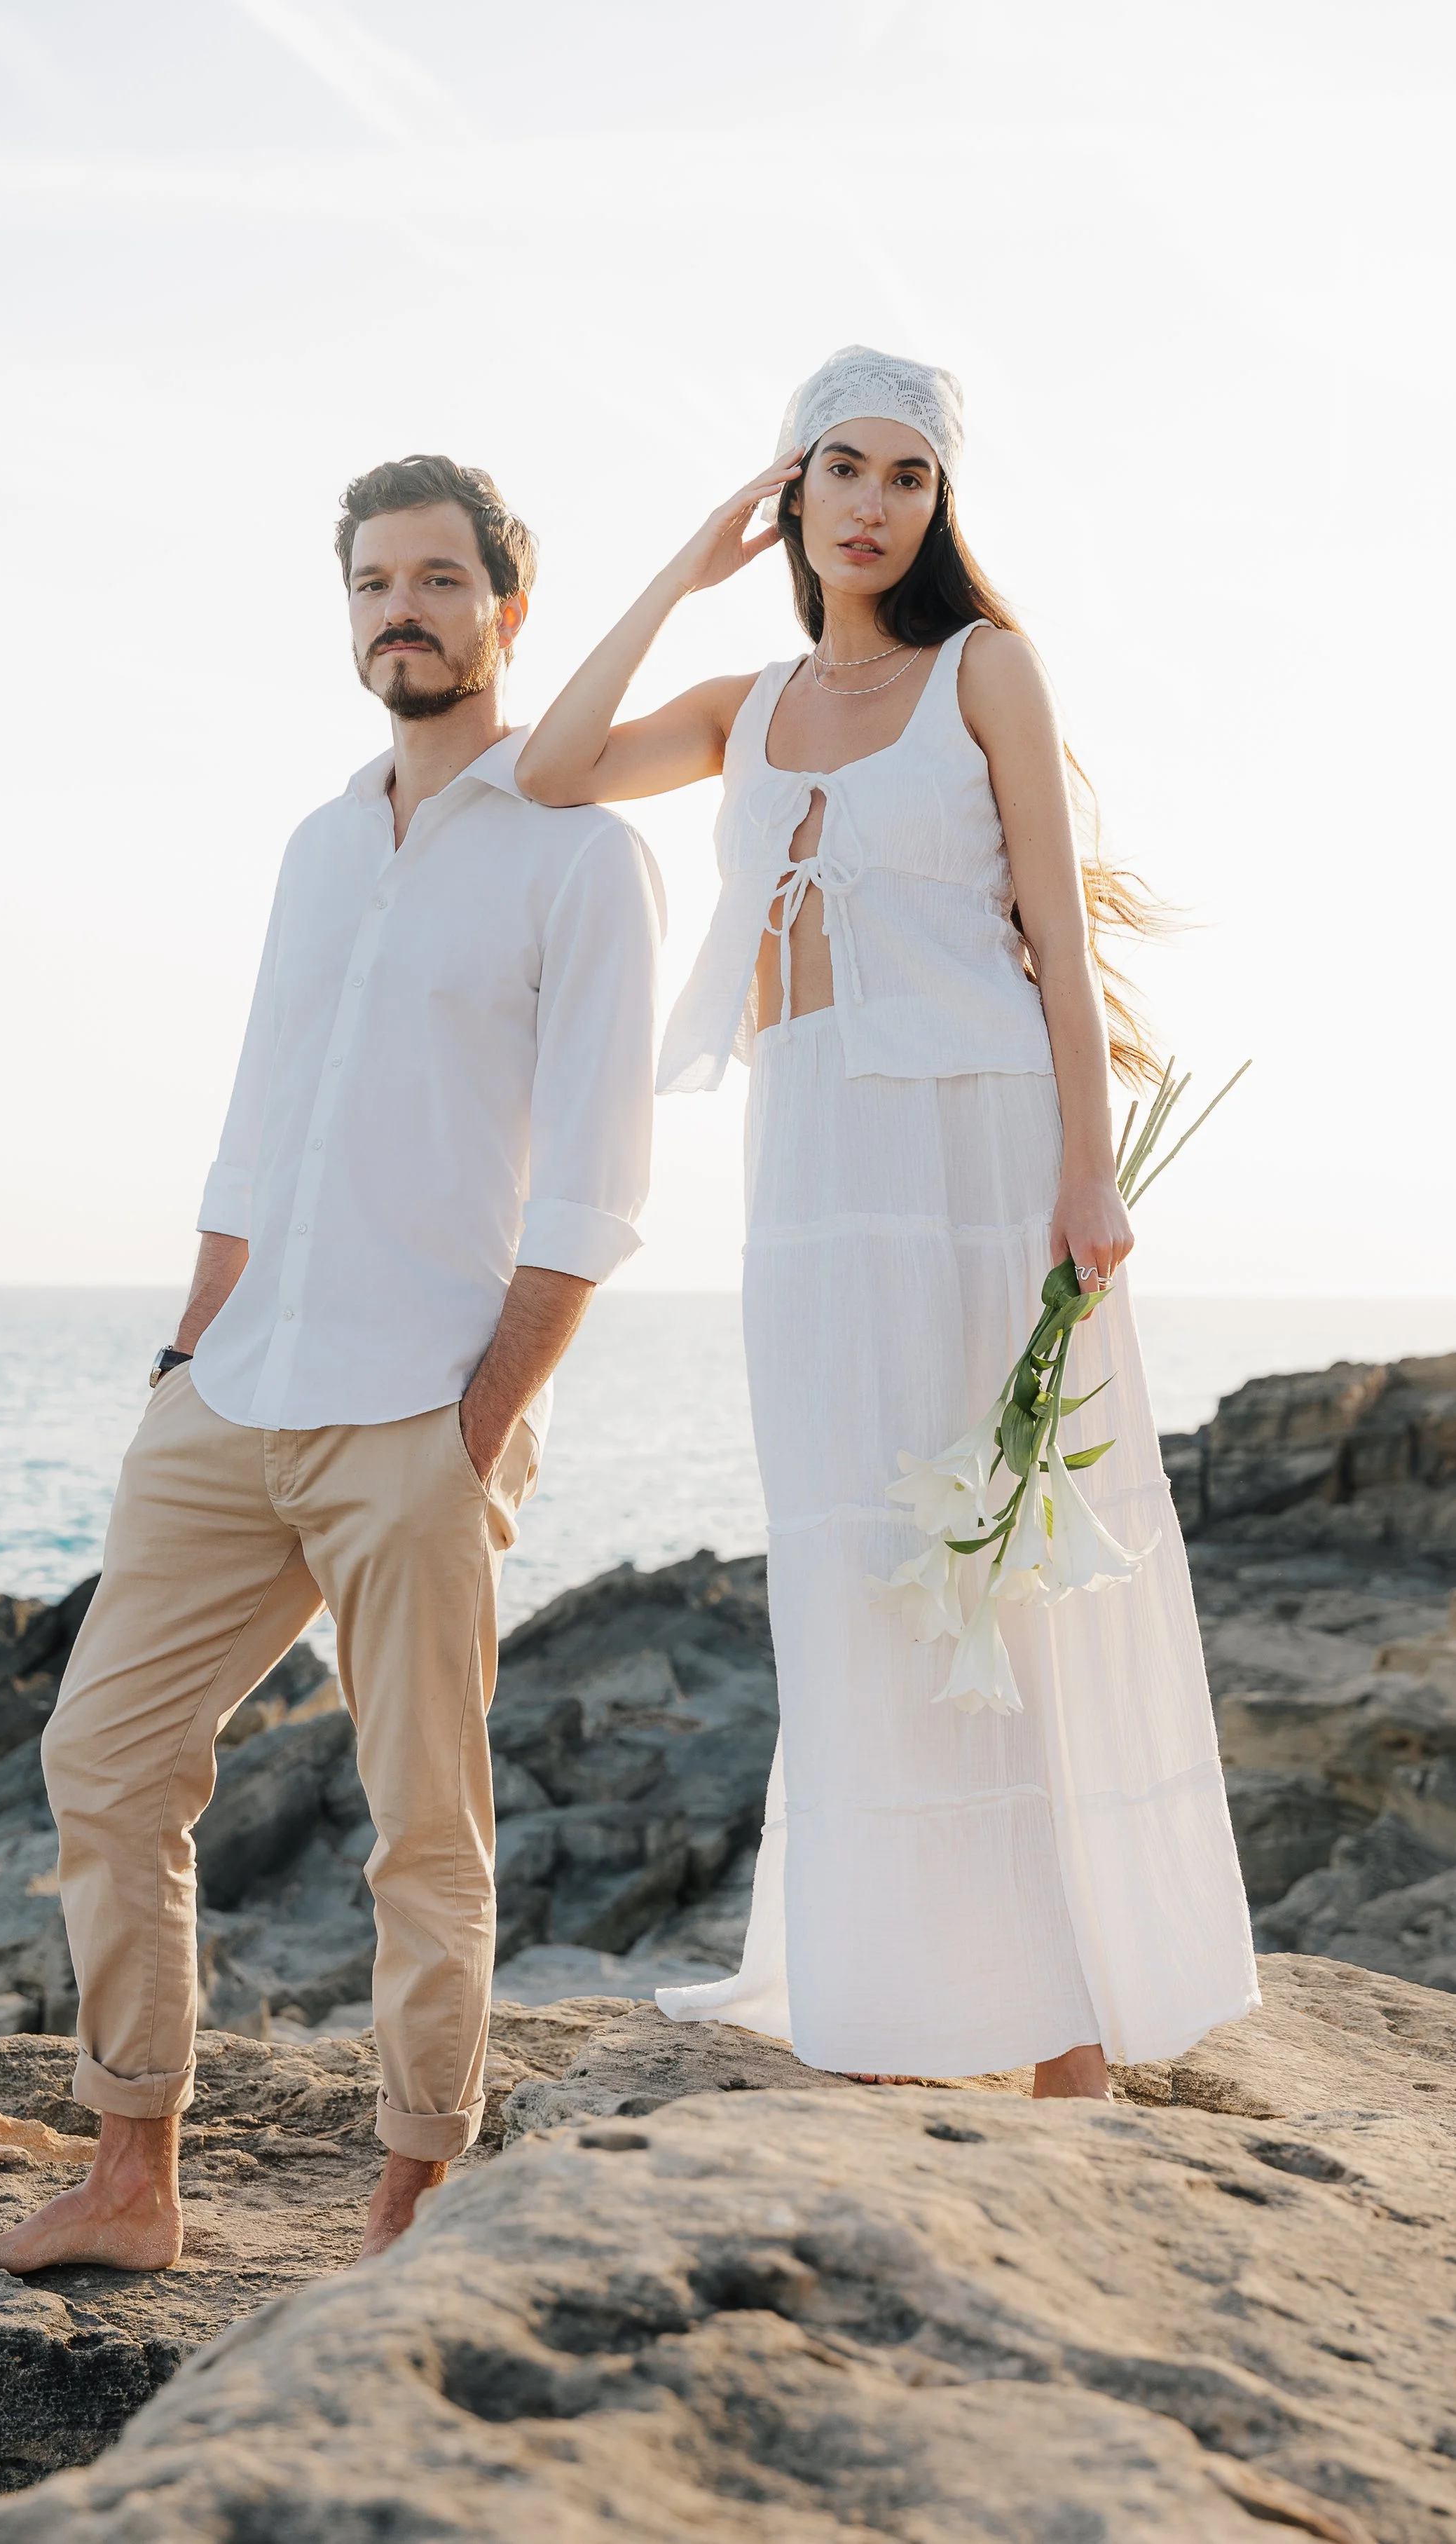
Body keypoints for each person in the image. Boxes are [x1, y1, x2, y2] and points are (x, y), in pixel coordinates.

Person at [0, 453, 664, 2273]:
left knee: (422, 1821)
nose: (400, 609)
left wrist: (474, 1422)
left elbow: (595, 1188)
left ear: (510, 607)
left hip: (414, 1409)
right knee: (103, 1758)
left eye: (437, 578)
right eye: (372, 584)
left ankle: (414, 2192)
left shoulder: (583, 852)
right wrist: (182, 1356)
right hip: (233, 1390)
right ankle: (131, 2176)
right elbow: (252, 1141)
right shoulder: (317, 844)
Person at [517, 346, 1257, 2097]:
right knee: (858, 1549)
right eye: (836, 467)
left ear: (938, 502)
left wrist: (1090, 1172)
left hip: (988, 1148)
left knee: (1014, 1554)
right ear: (787, 490)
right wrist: (676, 573)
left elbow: (1060, 954)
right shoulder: (739, 702)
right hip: (815, 1156)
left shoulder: (984, 669)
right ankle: (909, 1986)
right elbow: (549, 770)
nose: (869, 502)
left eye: (903, 475)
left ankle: (1064, 2012)